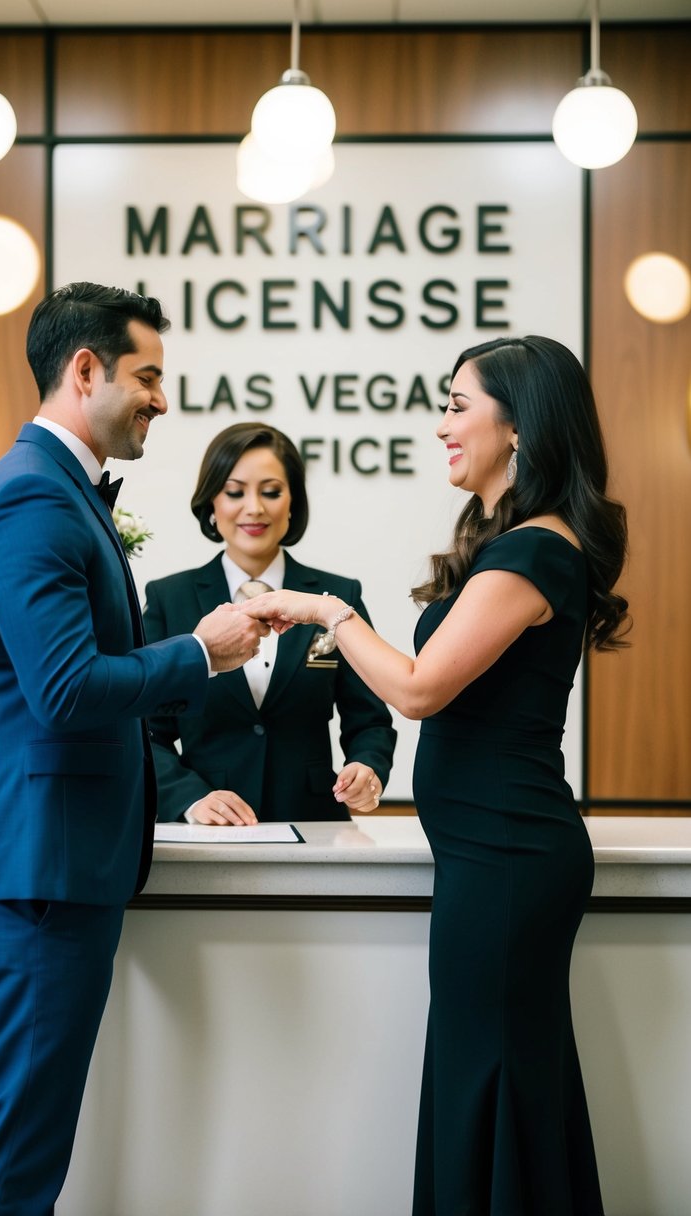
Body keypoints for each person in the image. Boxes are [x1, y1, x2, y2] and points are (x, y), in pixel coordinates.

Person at [240, 336, 629, 1214]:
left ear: (519, 426)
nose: (442, 424)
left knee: (489, 1076)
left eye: (457, 404)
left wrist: (327, 610)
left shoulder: (534, 551)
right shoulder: (514, 543)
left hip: (508, 858)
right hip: (491, 857)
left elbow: (415, 690)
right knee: (490, 1073)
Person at [0, 282, 267, 1216]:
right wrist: (200, 652)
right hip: (37, 864)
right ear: (84, 370)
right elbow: (64, 690)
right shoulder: (30, 500)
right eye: (148, 375)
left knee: (30, 1132)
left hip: (60, 863)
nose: (162, 398)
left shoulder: (54, 492)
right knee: (18, 1143)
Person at [143, 422, 397, 825]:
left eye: (271, 491)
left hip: (314, 827)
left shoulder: (337, 597)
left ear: (292, 501)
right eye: (235, 491)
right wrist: (189, 798)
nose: (254, 508)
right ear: (212, 500)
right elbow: (144, 730)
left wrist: (368, 766)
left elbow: (369, 719)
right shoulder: (168, 599)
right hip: (208, 831)